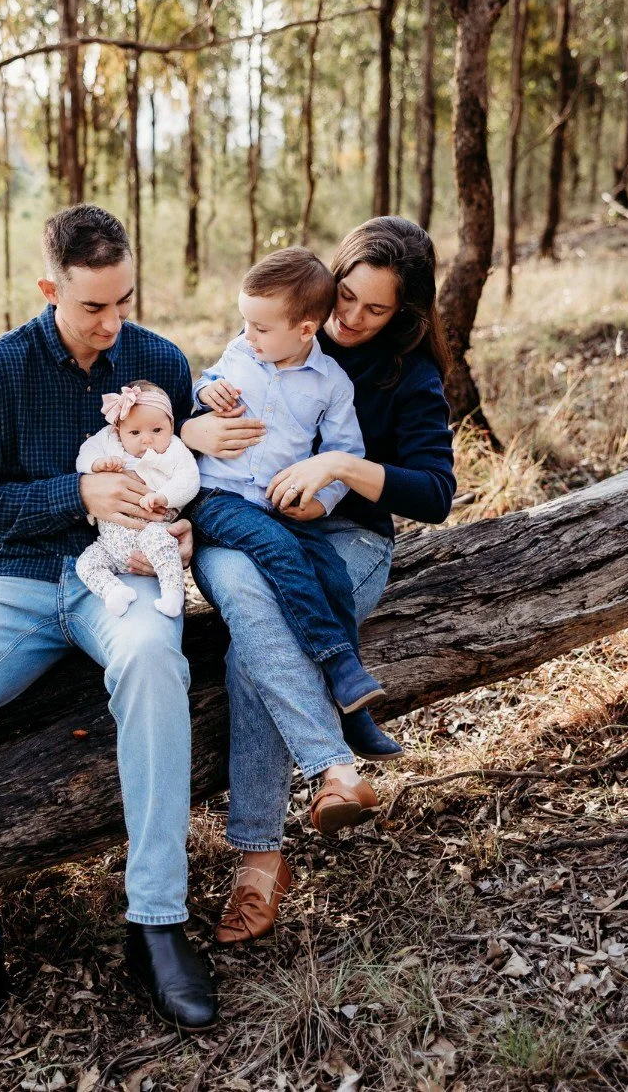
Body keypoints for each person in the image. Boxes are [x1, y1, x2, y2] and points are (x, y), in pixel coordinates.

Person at [0, 206, 216, 1086]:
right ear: (50, 290)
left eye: (122, 301)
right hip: (20, 580)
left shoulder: (160, 364)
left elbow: (195, 481)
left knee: (155, 660)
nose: (111, 323)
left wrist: (188, 532)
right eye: (91, 307)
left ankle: (155, 923)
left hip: (131, 575)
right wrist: (76, 495)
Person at [180, 216, 456, 946]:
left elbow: (434, 492)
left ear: (406, 312)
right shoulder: (277, 330)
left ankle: (259, 863)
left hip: (347, 539)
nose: (352, 318)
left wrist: (336, 472)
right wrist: (190, 432)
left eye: (376, 308)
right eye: (347, 298)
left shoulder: (411, 376)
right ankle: (332, 766)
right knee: (249, 606)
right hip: (238, 519)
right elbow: (201, 394)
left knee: (254, 651)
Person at [188, 247, 387, 717]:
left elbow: (347, 454)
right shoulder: (241, 352)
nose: (248, 334)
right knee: (280, 552)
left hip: (278, 503)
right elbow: (208, 380)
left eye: (260, 327)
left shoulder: (332, 383)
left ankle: (351, 703)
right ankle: (337, 663)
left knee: (332, 572)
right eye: (246, 322)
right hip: (218, 496)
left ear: (304, 329)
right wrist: (204, 390)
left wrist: (322, 503)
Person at [75, 380, 201, 618]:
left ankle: (173, 594)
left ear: (171, 425)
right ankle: (113, 591)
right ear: (118, 430)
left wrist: (164, 495)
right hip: (109, 542)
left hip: (151, 529)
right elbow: (86, 454)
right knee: (86, 563)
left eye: (157, 430)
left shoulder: (174, 450)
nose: (147, 439)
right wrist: (96, 464)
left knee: (163, 547)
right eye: (135, 432)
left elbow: (189, 480)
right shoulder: (109, 441)